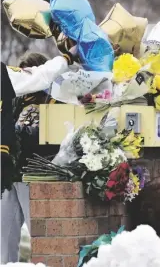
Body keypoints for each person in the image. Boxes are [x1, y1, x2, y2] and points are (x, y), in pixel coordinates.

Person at [1, 47, 76, 264]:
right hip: (9, 175)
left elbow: (57, 134)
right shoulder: (13, 99)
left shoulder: (55, 99)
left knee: (40, 234)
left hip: (34, 173)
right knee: (4, 238)